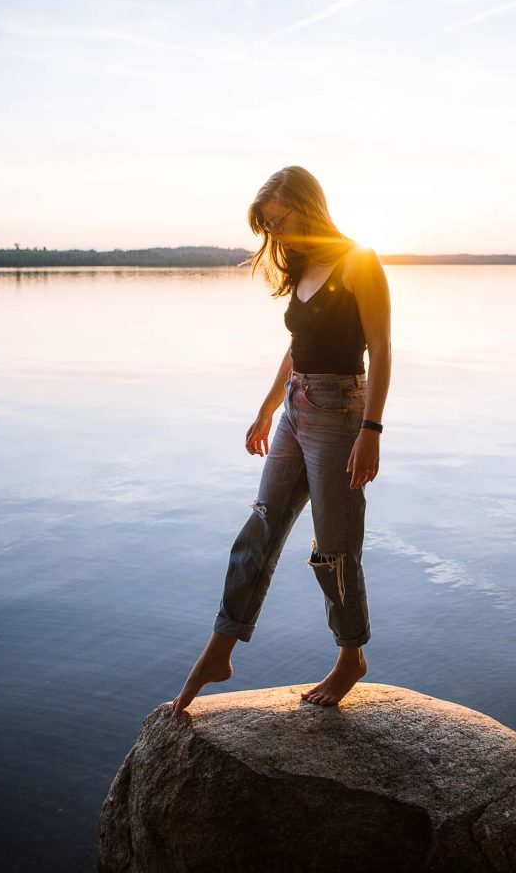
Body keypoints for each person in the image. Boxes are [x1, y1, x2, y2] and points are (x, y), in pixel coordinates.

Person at [169, 165, 391, 719]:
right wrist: (267, 409)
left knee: (334, 547)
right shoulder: (301, 267)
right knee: (259, 528)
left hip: (342, 414)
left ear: (307, 207)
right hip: (296, 408)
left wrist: (372, 430)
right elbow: (298, 348)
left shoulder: (358, 260)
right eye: (267, 226)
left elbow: (382, 348)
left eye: (280, 220)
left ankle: (350, 657)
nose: (275, 234)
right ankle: (220, 650)